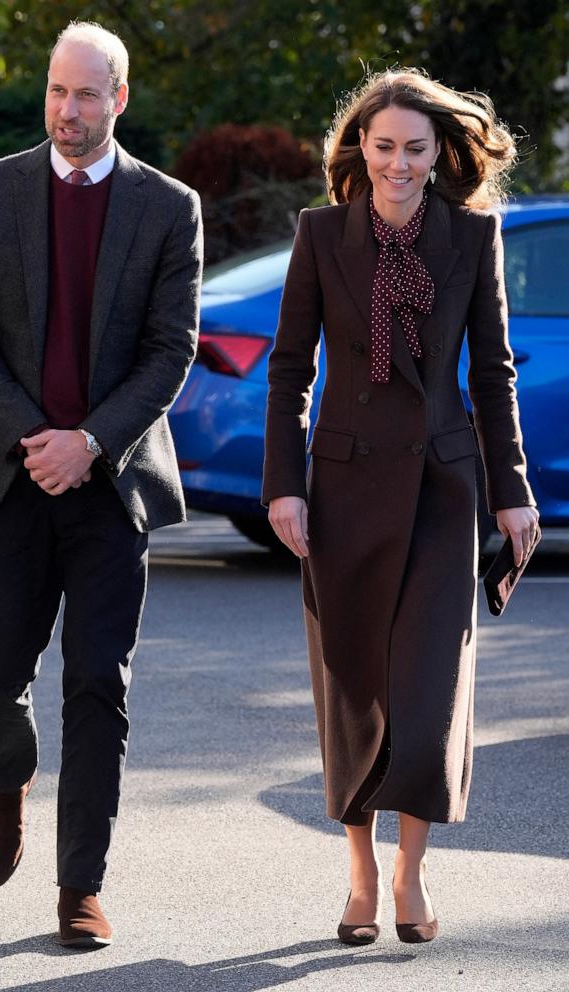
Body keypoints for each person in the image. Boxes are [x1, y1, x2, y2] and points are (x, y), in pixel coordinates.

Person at [0, 21, 202, 948]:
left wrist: (89, 443)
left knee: (98, 683)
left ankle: (80, 887)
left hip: (110, 486)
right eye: (58, 90)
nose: (68, 110)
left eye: (88, 94)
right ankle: (9, 776)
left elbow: (172, 348)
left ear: (119, 100)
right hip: (9, 480)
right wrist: (35, 441)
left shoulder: (168, 207)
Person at [262, 68, 538, 945]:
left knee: (425, 700)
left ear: (437, 153)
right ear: (361, 151)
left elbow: (491, 373)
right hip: (340, 493)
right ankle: (358, 873)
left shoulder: (469, 237)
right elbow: (289, 370)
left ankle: (411, 874)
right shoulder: (319, 235)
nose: (397, 164)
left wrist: (513, 493)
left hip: (439, 492)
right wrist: (283, 484)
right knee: (354, 694)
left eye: (414, 149)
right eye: (382, 147)